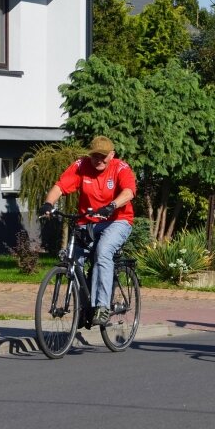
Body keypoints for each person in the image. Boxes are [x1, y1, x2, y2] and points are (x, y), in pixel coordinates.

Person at [39, 136, 136, 325]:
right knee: (72, 257)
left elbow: (129, 192)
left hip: (117, 220)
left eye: (103, 156)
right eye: (94, 156)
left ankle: (102, 307)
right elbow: (60, 186)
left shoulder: (120, 168)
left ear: (111, 155)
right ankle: (84, 309)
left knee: (103, 252)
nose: (98, 160)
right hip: (88, 222)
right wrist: (48, 204)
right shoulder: (81, 166)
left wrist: (112, 206)